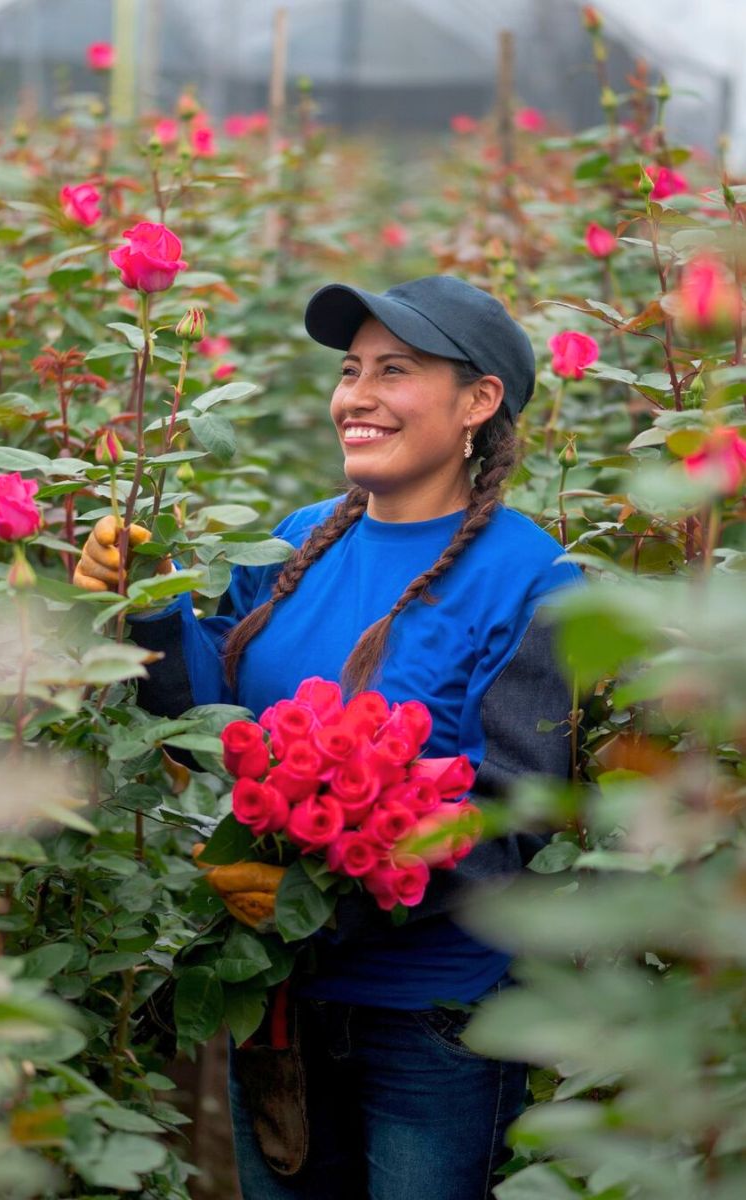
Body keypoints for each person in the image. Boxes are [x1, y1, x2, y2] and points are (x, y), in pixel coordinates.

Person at [74, 275, 582, 1200]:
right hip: (281, 1005)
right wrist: (139, 597)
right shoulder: (296, 542)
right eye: (351, 371)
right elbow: (209, 710)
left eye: (396, 370)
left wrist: (320, 901)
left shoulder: (537, 582)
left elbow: (511, 816)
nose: (358, 395)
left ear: (478, 401)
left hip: (437, 1018)